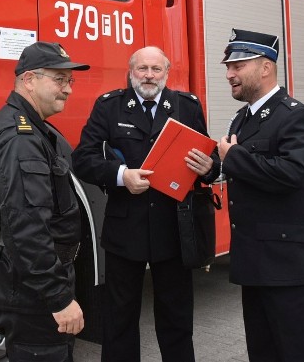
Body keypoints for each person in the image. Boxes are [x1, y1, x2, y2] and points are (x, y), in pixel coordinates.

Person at [72, 46, 214, 362]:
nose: (149, 75)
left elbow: (210, 158)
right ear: (131, 71)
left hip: (173, 231)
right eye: (142, 69)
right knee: (119, 320)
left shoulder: (186, 106)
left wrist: (210, 167)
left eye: (156, 69)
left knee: (177, 321)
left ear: (166, 73)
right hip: (126, 231)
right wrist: (122, 175)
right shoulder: (109, 107)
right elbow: (82, 159)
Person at [214, 28, 304, 362]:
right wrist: (211, 166)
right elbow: (246, 170)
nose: (229, 74)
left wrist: (232, 158)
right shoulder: (243, 117)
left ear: (265, 68)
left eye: (238, 65)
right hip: (255, 264)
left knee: (301, 353)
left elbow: (295, 173)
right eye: (228, 67)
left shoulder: (296, 116)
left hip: (290, 267)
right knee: (263, 353)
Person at [0, 41, 90, 361]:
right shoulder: (20, 139)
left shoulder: (27, 129)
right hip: (31, 292)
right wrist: (59, 299)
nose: (67, 89)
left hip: (24, 282)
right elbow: (26, 228)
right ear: (28, 80)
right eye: (59, 79)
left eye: (70, 81)